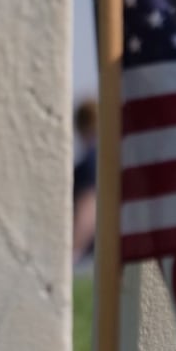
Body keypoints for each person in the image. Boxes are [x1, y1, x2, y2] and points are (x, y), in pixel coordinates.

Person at [71, 98, 98, 266]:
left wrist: (73, 252)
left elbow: (88, 209)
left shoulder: (91, 162)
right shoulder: (110, 160)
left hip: (89, 256)